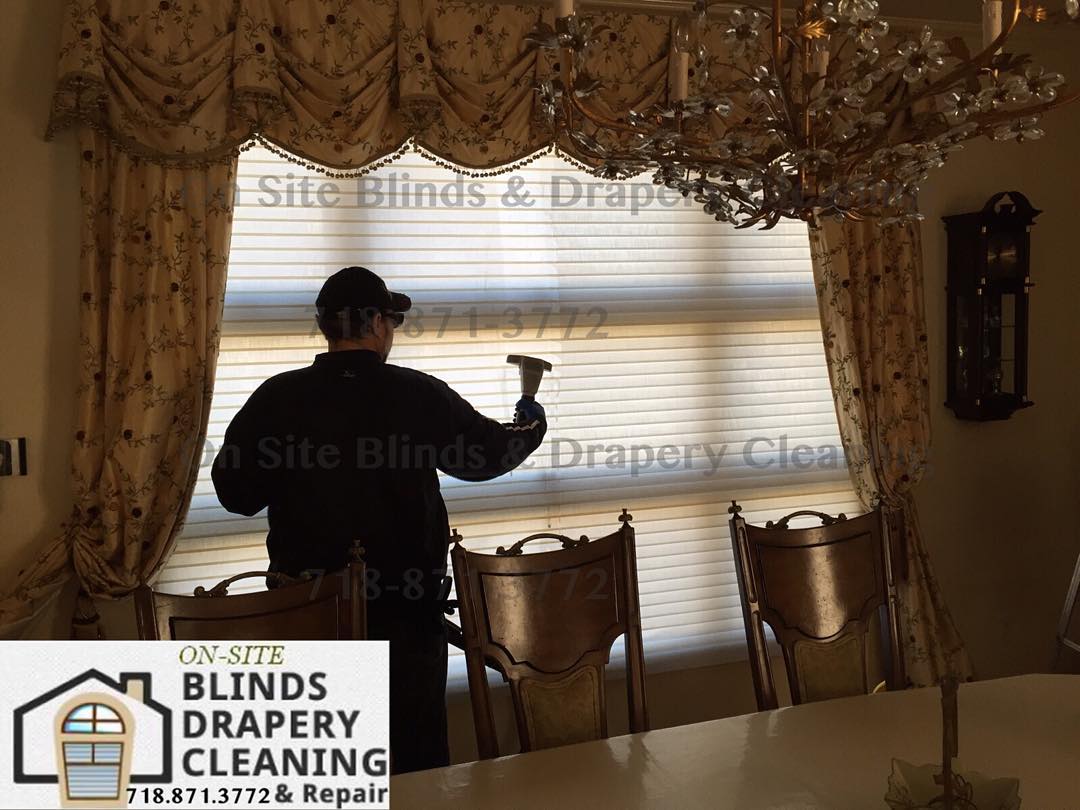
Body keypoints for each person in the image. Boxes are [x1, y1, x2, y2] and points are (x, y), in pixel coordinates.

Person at [211, 266, 547, 774]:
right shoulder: (416, 394)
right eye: (392, 320)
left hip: (308, 619)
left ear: (326, 326)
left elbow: (235, 495)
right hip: (406, 623)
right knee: (414, 772)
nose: (392, 331)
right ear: (374, 324)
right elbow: (489, 455)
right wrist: (531, 417)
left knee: (323, 770)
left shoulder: (276, 398)